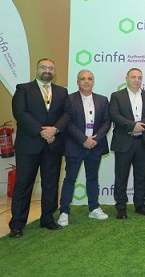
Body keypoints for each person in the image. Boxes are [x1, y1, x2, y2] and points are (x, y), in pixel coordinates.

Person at [8, 58, 71, 238]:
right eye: (43, 67)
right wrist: (41, 131)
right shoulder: (23, 89)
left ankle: (48, 219)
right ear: (37, 69)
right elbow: (20, 113)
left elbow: (67, 113)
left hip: (53, 144)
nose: (47, 70)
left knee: (50, 184)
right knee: (24, 184)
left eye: (51, 68)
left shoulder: (62, 91)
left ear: (55, 71)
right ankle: (17, 225)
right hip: (29, 145)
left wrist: (55, 129)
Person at [58, 69, 111, 227]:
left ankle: (94, 208)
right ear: (78, 82)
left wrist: (95, 140)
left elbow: (107, 122)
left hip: (95, 146)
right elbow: (67, 122)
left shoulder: (102, 100)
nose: (86, 81)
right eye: (83, 79)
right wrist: (83, 139)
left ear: (93, 82)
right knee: (70, 179)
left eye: (89, 79)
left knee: (92, 178)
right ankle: (64, 211)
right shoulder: (68, 99)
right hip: (75, 145)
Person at [109, 68, 145, 219]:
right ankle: (121, 207)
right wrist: (132, 125)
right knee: (121, 177)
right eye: (133, 77)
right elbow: (114, 115)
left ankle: (140, 205)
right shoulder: (117, 96)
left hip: (142, 142)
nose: (136, 80)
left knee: (140, 176)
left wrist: (141, 124)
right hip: (124, 142)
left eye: (139, 77)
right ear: (127, 78)